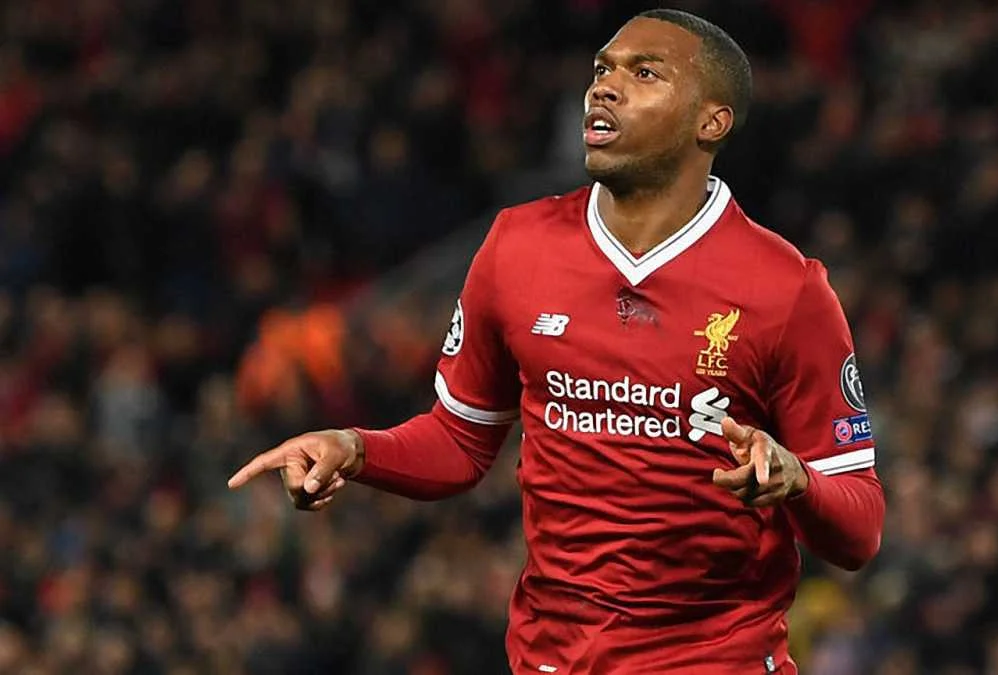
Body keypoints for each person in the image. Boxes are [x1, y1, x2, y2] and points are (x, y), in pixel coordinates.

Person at [228, 9, 885, 674]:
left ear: (710, 122)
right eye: (602, 69)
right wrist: (354, 447)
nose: (604, 87)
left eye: (644, 74)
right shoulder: (517, 247)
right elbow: (459, 441)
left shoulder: (786, 289)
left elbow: (860, 528)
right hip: (551, 659)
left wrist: (798, 482)